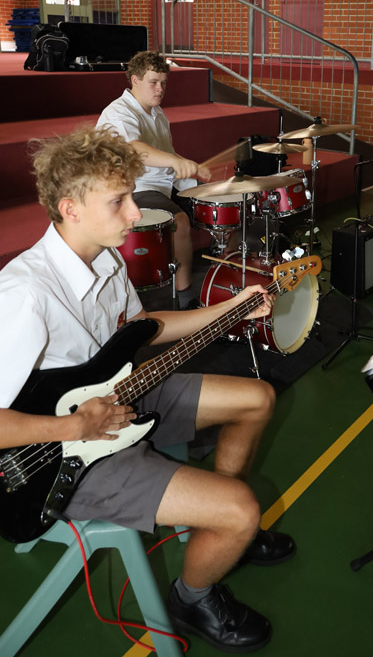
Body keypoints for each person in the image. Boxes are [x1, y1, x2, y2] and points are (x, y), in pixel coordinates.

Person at [0, 126, 295, 652]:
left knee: (258, 398)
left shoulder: (107, 255)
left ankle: (217, 528)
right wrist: (73, 425)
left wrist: (233, 308)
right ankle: (193, 595)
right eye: (119, 201)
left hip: (116, 395)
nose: (136, 213)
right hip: (64, 453)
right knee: (242, 509)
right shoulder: (25, 294)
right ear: (70, 209)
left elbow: (141, 328)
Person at [97, 51, 209, 309]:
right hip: (134, 188)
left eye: (164, 83)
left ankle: (223, 271)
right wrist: (175, 162)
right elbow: (134, 148)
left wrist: (189, 165)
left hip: (166, 183)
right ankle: (185, 296)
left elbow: (164, 152)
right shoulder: (119, 112)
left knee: (221, 199)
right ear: (135, 80)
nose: (160, 89)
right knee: (179, 222)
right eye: (153, 82)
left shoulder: (156, 111)